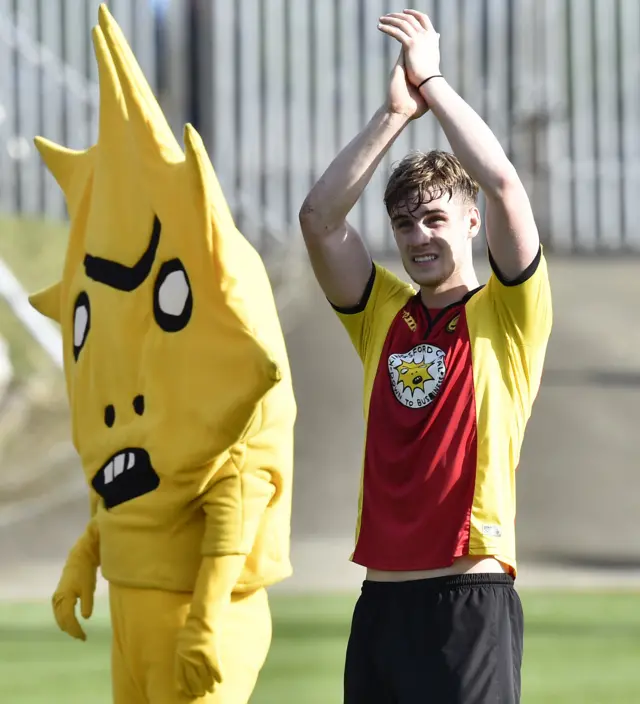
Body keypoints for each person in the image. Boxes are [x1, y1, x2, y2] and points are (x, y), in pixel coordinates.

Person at [29, 6, 295, 703]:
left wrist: (207, 619)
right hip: (133, 615)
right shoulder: (135, 422)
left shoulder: (218, 430)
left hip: (192, 622)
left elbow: (233, 501)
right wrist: (84, 560)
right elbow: (126, 491)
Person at [298, 9, 552, 704]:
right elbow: (319, 220)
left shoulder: (509, 311)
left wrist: (432, 82)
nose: (419, 236)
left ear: (470, 223)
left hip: (470, 602)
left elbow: (502, 182)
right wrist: (392, 116)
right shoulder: (384, 313)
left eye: (435, 217)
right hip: (379, 606)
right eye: (405, 223)